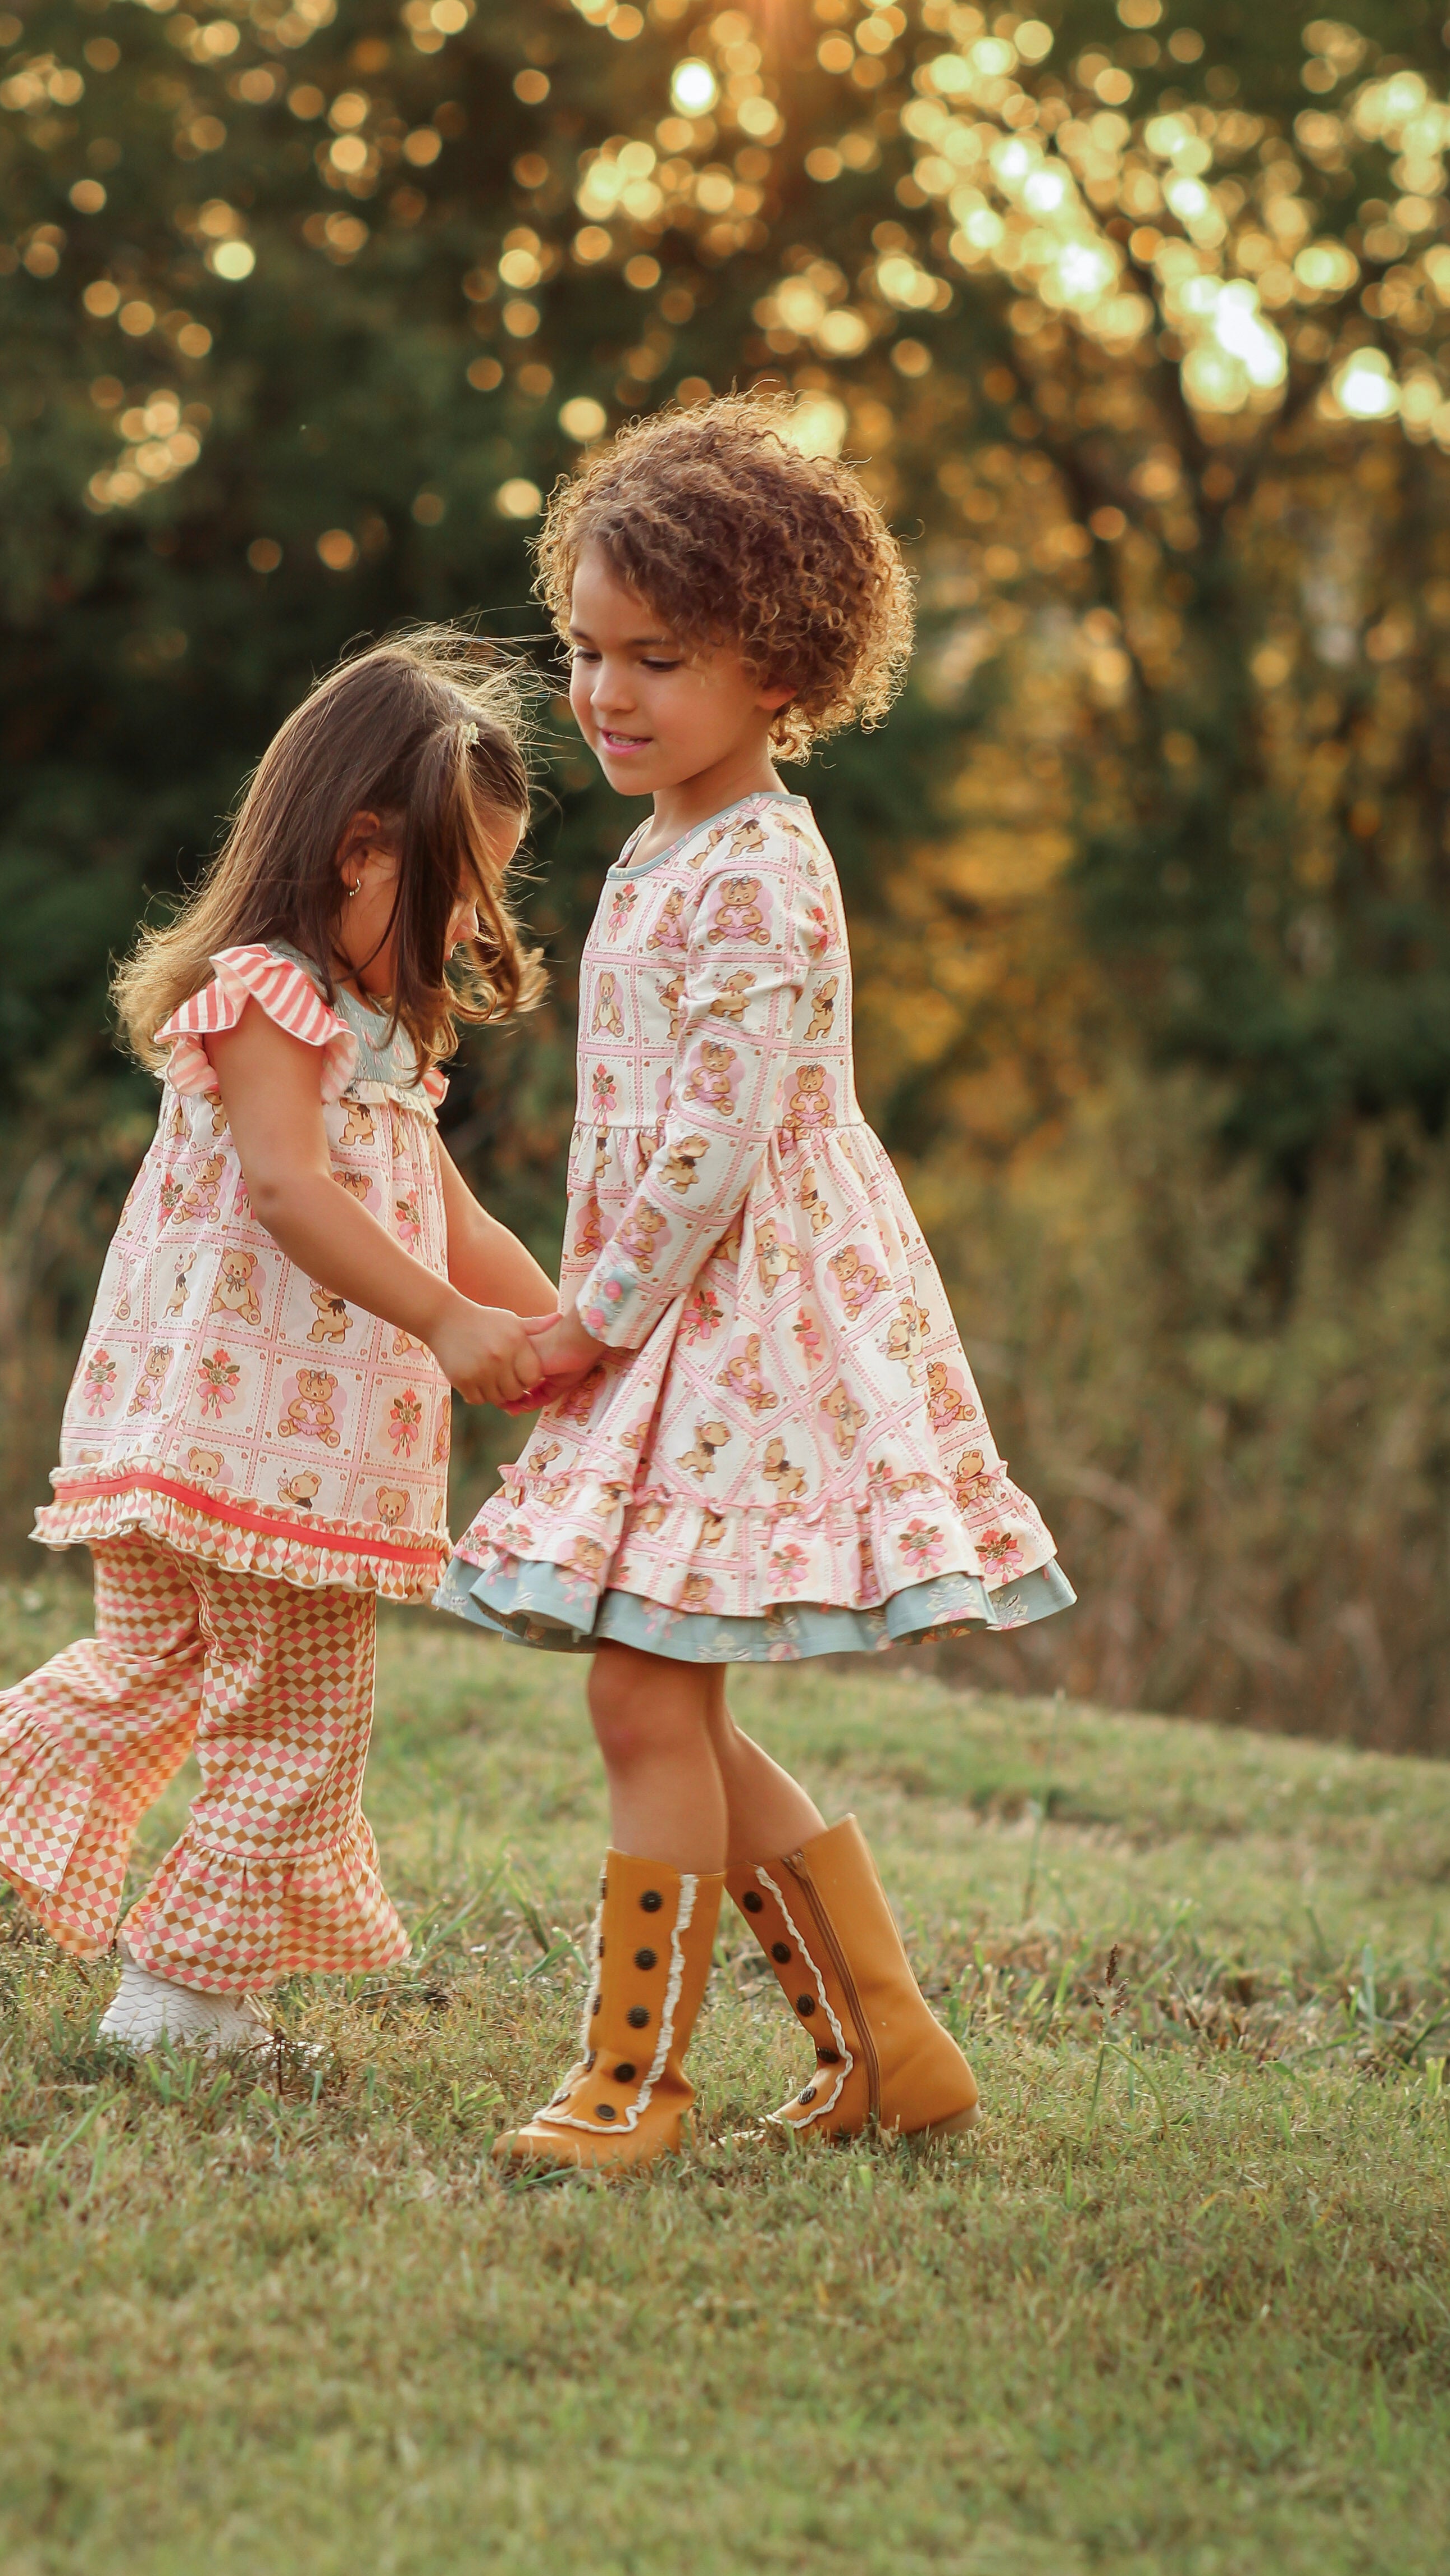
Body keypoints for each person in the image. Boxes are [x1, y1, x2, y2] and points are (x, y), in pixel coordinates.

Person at [0, 633, 558, 2049]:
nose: (463, 930)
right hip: (261, 1447)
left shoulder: (384, 1040)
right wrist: (442, 1325)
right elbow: (284, 1188)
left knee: (154, 1679)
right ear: (359, 850)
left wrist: (566, 1337)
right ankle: (188, 1998)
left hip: (227, 1447)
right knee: (299, 1721)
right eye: (457, 892)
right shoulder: (271, 996)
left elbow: (460, 1227)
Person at [437, 399, 1074, 2169]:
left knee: (644, 1693)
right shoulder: (663, 851)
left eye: (663, 656)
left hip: (736, 1317)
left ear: (781, 667)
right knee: (665, 1697)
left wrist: (591, 1319)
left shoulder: (760, 873)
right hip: (678, 1312)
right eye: (587, 649)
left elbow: (711, 1154)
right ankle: (889, 2047)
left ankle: (636, 2080)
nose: (609, 692)